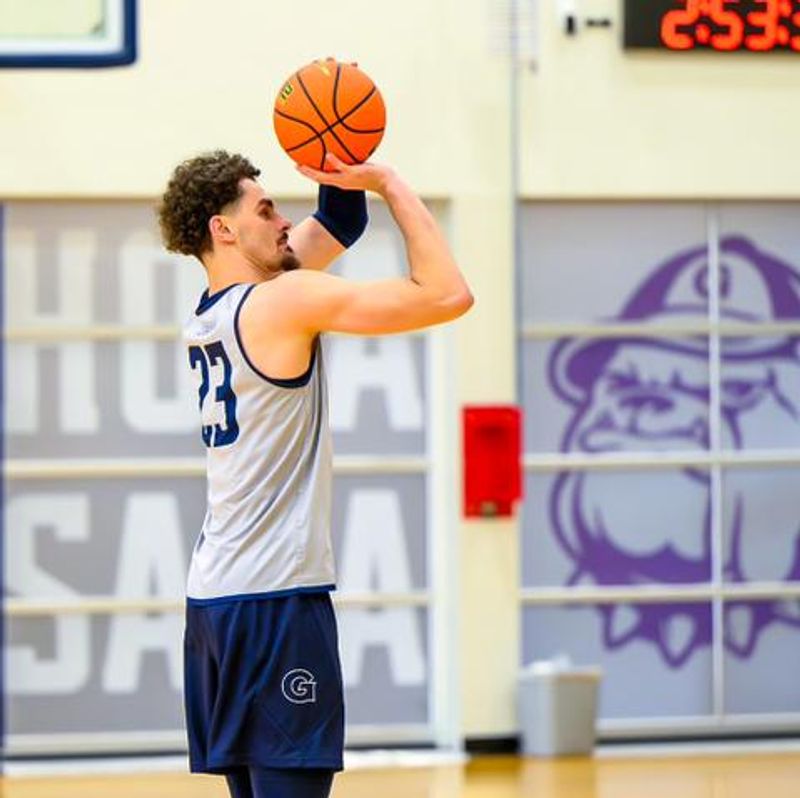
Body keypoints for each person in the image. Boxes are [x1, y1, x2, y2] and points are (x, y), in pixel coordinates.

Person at [157, 149, 473, 798]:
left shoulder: (213, 311)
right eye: (266, 208)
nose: (284, 220)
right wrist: (387, 178)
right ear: (223, 230)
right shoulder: (281, 302)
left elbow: (337, 223)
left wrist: (338, 160)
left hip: (216, 602)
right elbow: (448, 294)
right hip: (274, 600)